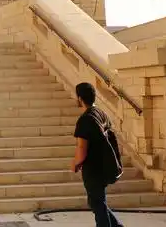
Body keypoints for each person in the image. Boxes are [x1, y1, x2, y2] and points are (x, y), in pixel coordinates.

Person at [72, 82, 123, 227]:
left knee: (97, 203)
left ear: (80, 98)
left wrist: (76, 163)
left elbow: (82, 147)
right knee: (98, 202)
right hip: (105, 165)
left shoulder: (85, 120)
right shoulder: (101, 113)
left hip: (93, 168)